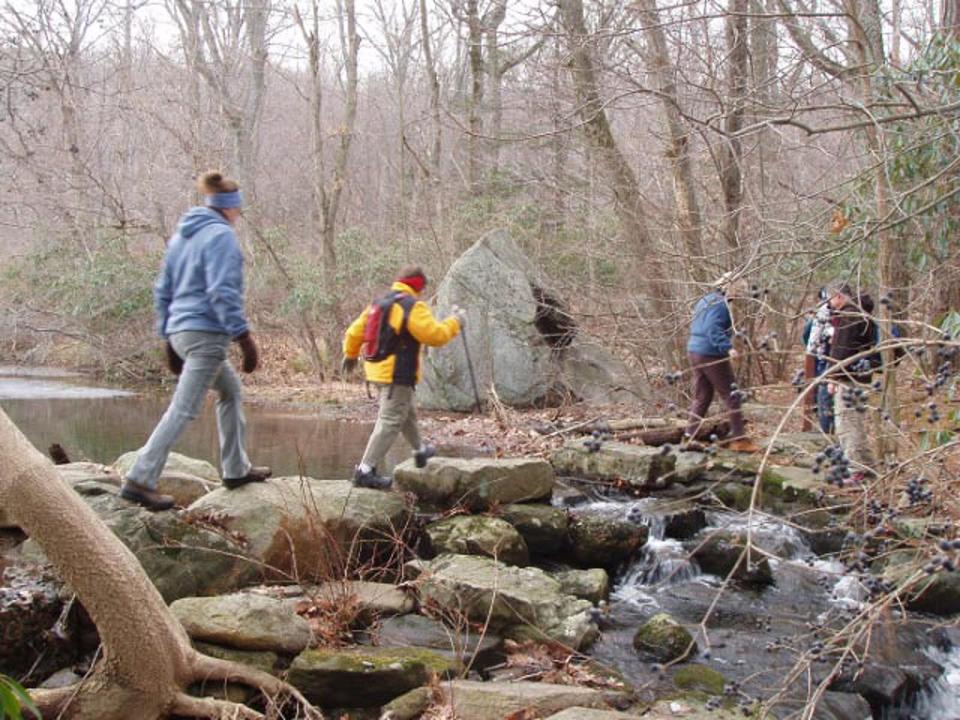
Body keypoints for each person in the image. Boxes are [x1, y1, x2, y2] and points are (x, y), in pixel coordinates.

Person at [120, 171, 270, 511]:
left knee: (230, 392)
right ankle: (140, 478)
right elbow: (222, 291)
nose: (238, 215)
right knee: (184, 408)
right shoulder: (222, 237)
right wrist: (244, 337)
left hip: (182, 331)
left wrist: (168, 338)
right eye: (238, 209)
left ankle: (235, 468)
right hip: (206, 335)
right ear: (230, 208)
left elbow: (163, 290)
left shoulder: (182, 237)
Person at [342, 267, 463, 489]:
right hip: (396, 373)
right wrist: (456, 322)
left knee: (405, 411)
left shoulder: (378, 302)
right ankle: (365, 470)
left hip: (376, 370)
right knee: (390, 420)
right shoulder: (412, 306)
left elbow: (353, 333)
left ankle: (419, 451)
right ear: (418, 286)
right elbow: (435, 335)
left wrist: (350, 354)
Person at [685, 273, 760, 453]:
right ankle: (739, 440)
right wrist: (727, 347)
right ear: (730, 287)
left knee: (702, 397)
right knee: (732, 395)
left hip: (695, 350)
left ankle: (688, 436)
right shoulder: (720, 305)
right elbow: (712, 328)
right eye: (739, 290)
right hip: (711, 353)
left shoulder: (705, 300)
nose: (741, 294)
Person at [826, 282, 877, 483]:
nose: (829, 303)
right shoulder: (862, 313)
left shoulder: (849, 316)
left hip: (849, 378)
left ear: (838, 296)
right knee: (855, 421)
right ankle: (868, 465)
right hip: (861, 375)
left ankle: (856, 470)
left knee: (847, 422)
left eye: (830, 298)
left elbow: (841, 350)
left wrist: (833, 377)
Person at [802, 288, 835, 434]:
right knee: (822, 390)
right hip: (821, 355)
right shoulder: (822, 312)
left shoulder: (843, 312)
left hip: (828, 357)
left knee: (826, 392)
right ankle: (826, 428)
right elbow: (809, 336)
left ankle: (828, 427)